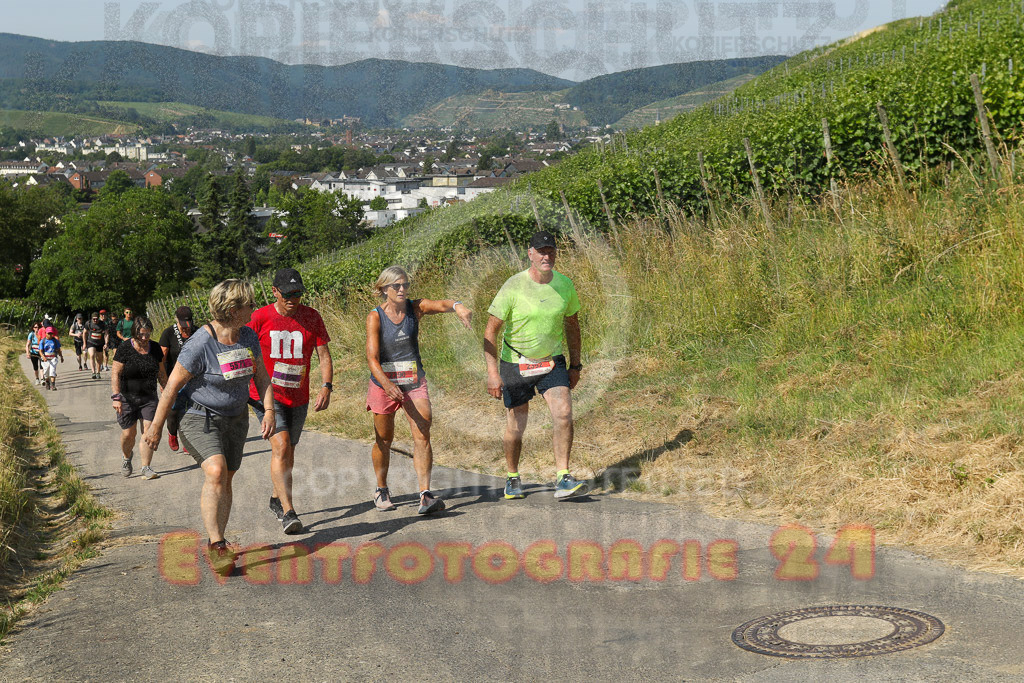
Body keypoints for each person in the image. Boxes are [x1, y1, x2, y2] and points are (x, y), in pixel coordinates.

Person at [144, 280, 276, 577]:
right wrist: (155, 428)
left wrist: (268, 410)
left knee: (226, 478)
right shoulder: (201, 344)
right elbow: (170, 388)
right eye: (249, 304)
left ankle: (221, 538)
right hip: (199, 417)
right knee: (216, 471)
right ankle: (216, 544)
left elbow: (262, 376)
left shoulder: (248, 337)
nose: (254, 309)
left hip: (237, 419)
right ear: (232, 310)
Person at [483, 230, 589, 501]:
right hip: (516, 362)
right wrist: (493, 373)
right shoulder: (513, 286)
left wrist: (575, 365)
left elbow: (572, 325)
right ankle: (512, 476)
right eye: (541, 251)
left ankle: (563, 477)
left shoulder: (564, 284)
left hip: (552, 360)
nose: (546, 256)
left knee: (563, 413)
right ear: (530, 253)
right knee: (517, 424)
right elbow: (490, 332)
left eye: (551, 251)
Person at [365, 266, 472, 514]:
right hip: (384, 383)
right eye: (396, 286)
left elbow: (441, 304)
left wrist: (458, 306)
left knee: (423, 432)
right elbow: (371, 358)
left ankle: (425, 494)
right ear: (384, 289)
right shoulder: (375, 317)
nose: (402, 290)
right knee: (384, 438)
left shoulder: (415, 307)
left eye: (405, 285)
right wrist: (388, 384)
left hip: (413, 380)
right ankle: (381, 489)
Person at [247, 268, 332, 534]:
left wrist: (326, 387)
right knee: (281, 446)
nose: (293, 299)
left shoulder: (311, 317)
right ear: (274, 292)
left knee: (288, 453)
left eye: (298, 294)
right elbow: (239, 349)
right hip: (266, 396)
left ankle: (276, 498)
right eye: (287, 294)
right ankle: (288, 512)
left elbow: (324, 356)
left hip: (299, 397)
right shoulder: (259, 318)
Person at [112, 316, 167, 480]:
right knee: (129, 434)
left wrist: (166, 389)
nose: (144, 338)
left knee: (149, 431)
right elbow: (115, 373)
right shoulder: (124, 348)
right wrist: (116, 397)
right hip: (127, 397)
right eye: (141, 334)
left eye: (148, 334)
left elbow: (161, 372)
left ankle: (146, 467)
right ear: (135, 333)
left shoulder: (155, 348)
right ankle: (126, 457)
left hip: (149, 397)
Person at [158, 306, 195, 454]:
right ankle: (173, 433)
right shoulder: (168, 333)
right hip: (174, 379)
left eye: (188, 324)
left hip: (193, 379)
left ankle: (188, 440)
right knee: (174, 411)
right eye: (183, 325)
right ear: (177, 321)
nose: (186, 328)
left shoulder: (198, 331)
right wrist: (163, 382)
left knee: (191, 411)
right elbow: (161, 359)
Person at [39, 326, 64, 391]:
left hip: (53, 358)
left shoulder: (55, 341)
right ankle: (47, 382)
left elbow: (58, 349)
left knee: (52, 372)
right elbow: (40, 351)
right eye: (49, 333)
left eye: (51, 333)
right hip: (46, 359)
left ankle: (53, 385)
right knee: (46, 374)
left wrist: (61, 356)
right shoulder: (43, 341)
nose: (50, 335)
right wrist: (43, 357)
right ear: (46, 333)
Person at [84, 311, 106, 379]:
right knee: (92, 355)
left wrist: (106, 343)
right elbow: (84, 333)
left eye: (96, 319)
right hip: (91, 342)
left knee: (99, 358)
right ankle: (93, 372)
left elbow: (106, 334)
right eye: (94, 319)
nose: (95, 320)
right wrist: (84, 343)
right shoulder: (88, 323)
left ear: (98, 318)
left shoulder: (102, 324)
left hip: (100, 343)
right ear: (91, 318)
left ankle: (98, 372)